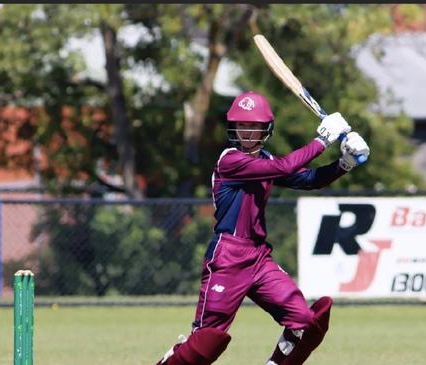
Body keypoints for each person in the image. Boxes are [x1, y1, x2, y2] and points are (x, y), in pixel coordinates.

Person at [155, 90, 370, 365]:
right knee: (206, 343)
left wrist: (344, 164)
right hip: (227, 257)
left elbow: (309, 180)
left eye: (253, 126)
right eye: (241, 125)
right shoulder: (229, 161)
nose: (246, 132)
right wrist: (322, 140)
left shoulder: (266, 161)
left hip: (258, 257)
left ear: (265, 129)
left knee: (304, 321)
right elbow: (284, 167)